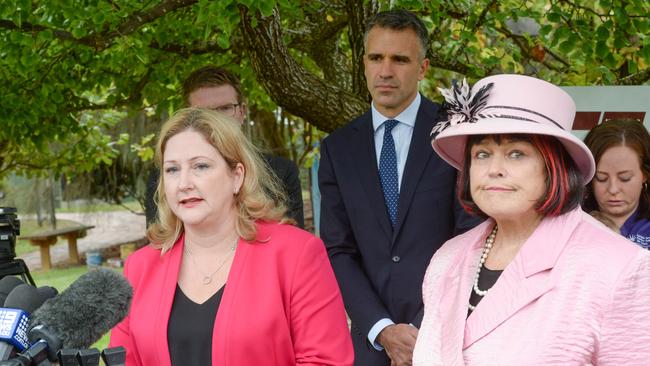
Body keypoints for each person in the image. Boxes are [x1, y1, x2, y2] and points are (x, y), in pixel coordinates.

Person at [413, 74, 650, 365]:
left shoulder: (619, 267)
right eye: (482, 153)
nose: (494, 169)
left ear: (554, 166)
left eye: (516, 154)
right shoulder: (446, 259)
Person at [111, 108, 353, 366]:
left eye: (200, 166)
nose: (183, 183)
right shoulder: (139, 268)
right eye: (172, 170)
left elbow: (326, 361)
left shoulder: (296, 254)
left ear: (237, 176)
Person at [318, 10, 479, 366]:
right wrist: (383, 329)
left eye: (400, 59)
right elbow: (337, 250)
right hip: (369, 345)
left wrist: (422, 329)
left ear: (422, 68)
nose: (385, 71)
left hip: (448, 337)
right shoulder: (337, 149)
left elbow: (471, 239)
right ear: (363, 62)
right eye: (376, 57)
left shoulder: (455, 137)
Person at [145, 66, 304, 228]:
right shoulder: (164, 179)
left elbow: (294, 242)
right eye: (203, 112)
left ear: (242, 112)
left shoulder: (282, 171)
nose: (216, 119)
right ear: (188, 117)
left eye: (225, 108)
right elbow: (161, 240)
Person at [583, 119, 650, 249]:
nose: (613, 189)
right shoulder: (571, 223)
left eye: (625, 178)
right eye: (601, 178)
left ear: (645, 175)